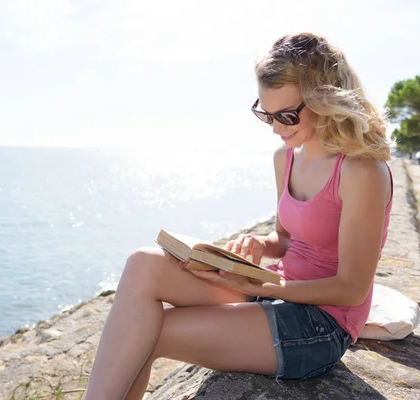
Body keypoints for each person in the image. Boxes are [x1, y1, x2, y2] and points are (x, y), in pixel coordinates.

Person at [83, 32, 393, 400]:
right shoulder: (286, 158)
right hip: (275, 291)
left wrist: (265, 288)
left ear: (326, 99)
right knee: (142, 263)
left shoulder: (361, 172)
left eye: (287, 115)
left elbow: (352, 289)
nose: (277, 128)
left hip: (321, 324)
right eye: (266, 114)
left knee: (144, 334)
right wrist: (258, 245)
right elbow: (285, 240)